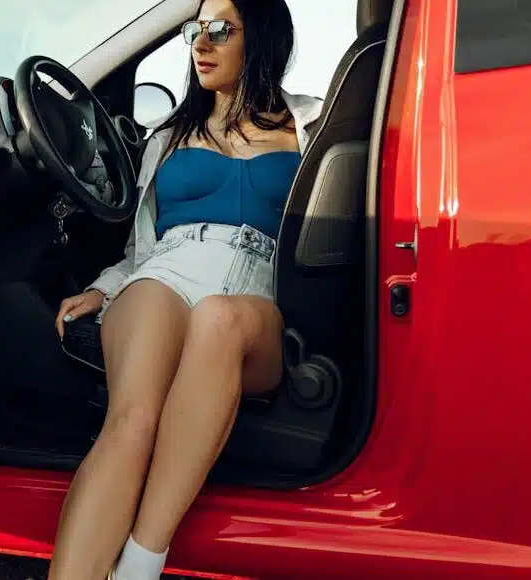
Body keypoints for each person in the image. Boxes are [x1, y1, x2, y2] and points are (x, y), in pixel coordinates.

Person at [49, 0, 323, 578]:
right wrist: (104, 288)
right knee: (131, 421)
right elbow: (139, 248)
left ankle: (140, 564)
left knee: (220, 320)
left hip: (257, 293)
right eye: (192, 31)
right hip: (167, 271)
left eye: (220, 29)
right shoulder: (167, 136)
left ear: (264, 36)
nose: (201, 43)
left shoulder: (312, 124)